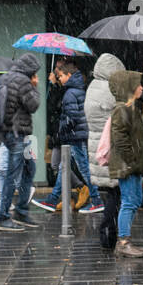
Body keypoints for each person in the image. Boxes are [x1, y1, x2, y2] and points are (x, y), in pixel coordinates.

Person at [34, 61, 101, 214]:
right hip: (76, 135)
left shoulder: (70, 92)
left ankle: (97, 200)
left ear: (69, 75)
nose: (60, 79)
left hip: (74, 136)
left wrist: (61, 131)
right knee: (64, 167)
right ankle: (52, 200)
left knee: (83, 168)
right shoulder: (77, 89)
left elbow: (71, 118)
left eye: (62, 76)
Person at [0, 53, 42, 231]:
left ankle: (21, 210)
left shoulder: (5, 77)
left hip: (9, 132)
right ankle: (4, 216)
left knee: (29, 168)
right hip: (18, 133)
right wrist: (34, 87)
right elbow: (33, 105)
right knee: (13, 174)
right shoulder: (23, 81)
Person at [108, 69, 143, 257]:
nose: (141, 87)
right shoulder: (122, 109)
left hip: (134, 165)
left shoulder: (132, 108)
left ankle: (125, 240)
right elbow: (119, 138)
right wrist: (132, 159)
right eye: (138, 84)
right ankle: (123, 241)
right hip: (128, 165)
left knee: (134, 200)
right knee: (129, 202)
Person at [85, 52, 126, 240]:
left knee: (112, 192)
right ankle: (108, 233)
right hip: (111, 144)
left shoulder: (93, 86)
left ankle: (108, 232)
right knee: (115, 193)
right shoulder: (111, 88)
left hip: (97, 144)